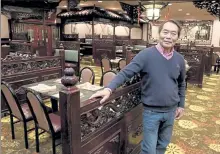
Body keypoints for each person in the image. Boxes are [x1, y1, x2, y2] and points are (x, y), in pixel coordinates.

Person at [90, 20, 186, 154]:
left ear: (177, 37)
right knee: (149, 150)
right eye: (165, 32)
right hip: (151, 112)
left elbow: (181, 83)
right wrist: (109, 88)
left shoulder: (179, 59)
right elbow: (125, 72)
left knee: (163, 145)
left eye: (173, 33)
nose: (168, 36)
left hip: (171, 111)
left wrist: (181, 105)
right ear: (159, 34)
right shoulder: (146, 55)